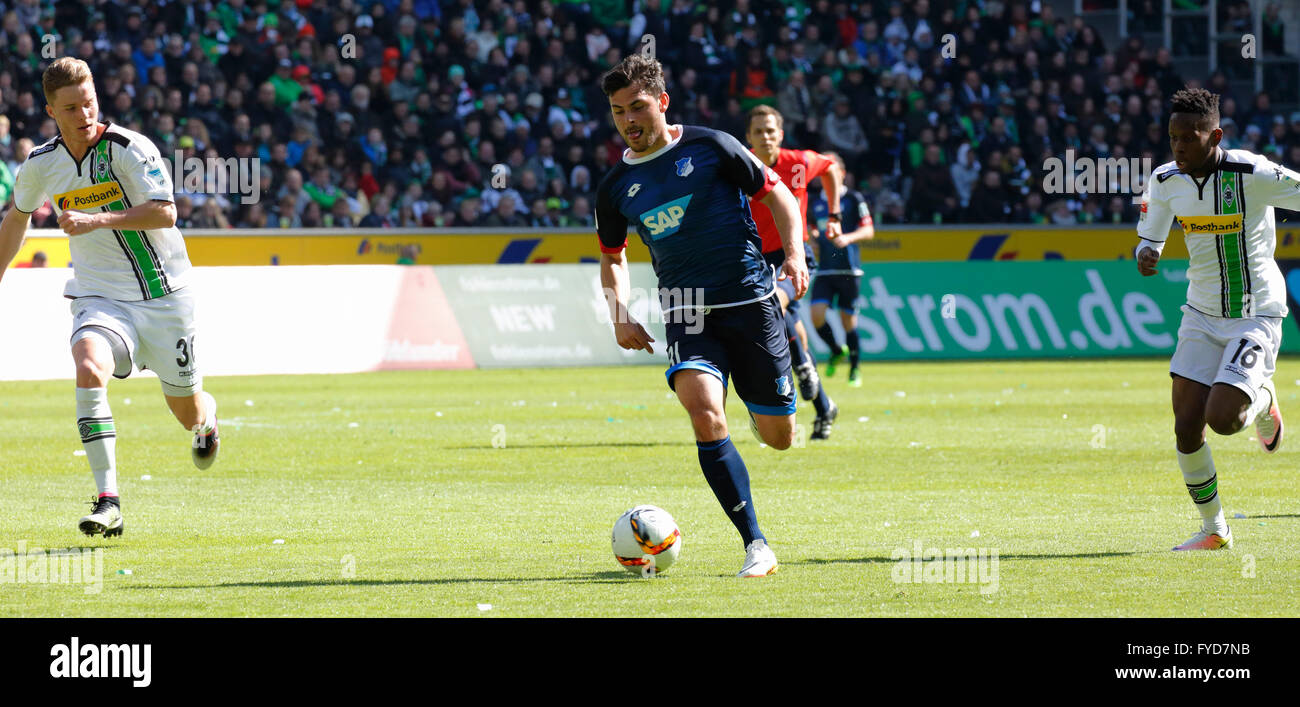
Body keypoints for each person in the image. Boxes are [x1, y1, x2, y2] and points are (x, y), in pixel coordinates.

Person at [595, 54, 807, 578]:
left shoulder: (711, 146)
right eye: (618, 111)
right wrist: (619, 314)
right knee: (704, 411)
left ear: (662, 102)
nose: (629, 120)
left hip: (750, 301)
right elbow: (613, 257)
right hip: (686, 308)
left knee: (780, 437)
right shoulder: (615, 187)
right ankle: (755, 544)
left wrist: (796, 256)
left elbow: (778, 194)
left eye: (638, 106)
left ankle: (765, 414)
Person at [0, 58, 220, 539]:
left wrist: (97, 219)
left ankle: (208, 420)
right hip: (100, 296)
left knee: (186, 413)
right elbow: (16, 217)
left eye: (89, 102)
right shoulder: (41, 165)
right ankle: (109, 499)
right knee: (87, 365)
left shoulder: (130, 148)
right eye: (71, 107)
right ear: (50, 111)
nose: (84, 114)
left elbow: (166, 213)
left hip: (165, 297)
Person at [1136, 87, 1300, 551]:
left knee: (1224, 419)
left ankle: (1264, 400)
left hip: (1256, 314)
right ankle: (1215, 530)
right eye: (1172, 138)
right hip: (1201, 315)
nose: (1179, 146)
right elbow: (1150, 235)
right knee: (1186, 427)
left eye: (1189, 137)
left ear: (1215, 135)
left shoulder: (1254, 173)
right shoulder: (1166, 180)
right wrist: (1147, 252)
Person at [744, 105, 841, 439]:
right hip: (756, 262)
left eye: (771, 130)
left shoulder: (798, 162)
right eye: (759, 131)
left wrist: (835, 214)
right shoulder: (742, 167)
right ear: (749, 138)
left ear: (780, 134)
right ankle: (825, 407)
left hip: (792, 257)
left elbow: (830, 168)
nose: (766, 136)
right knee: (791, 334)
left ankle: (800, 365)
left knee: (770, 308)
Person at [809, 152, 874, 386]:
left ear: (842, 174)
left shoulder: (854, 199)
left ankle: (855, 369)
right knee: (816, 316)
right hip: (825, 270)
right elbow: (809, 228)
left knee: (849, 322)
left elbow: (869, 231)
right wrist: (812, 238)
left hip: (849, 270)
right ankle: (836, 349)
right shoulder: (815, 202)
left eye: (832, 169)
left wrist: (847, 238)